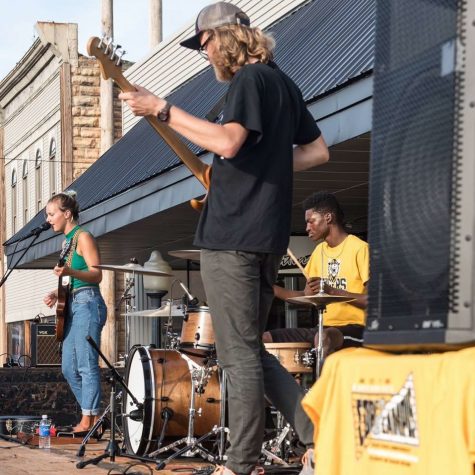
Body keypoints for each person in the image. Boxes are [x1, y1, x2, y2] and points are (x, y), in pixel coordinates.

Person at [119, 3, 329, 474]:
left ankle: (240, 464)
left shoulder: (250, 82)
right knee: (250, 348)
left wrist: (161, 108)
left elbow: (229, 142)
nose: (204, 53)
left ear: (224, 38)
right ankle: (319, 434)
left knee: (237, 355)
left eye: (205, 43)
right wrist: (261, 161)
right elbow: (317, 151)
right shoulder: (283, 83)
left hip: (233, 235)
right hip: (264, 236)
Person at [264, 191, 369, 359]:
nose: (307, 228)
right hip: (322, 327)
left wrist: (332, 291)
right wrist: (268, 287)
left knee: (323, 337)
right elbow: (306, 297)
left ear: (328, 217)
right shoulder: (319, 251)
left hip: (357, 328)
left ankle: (323, 385)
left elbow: (374, 301)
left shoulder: (360, 248)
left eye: (311, 221)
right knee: (265, 338)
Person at [43, 191, 107, 436]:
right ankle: (95, 416)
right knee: (69, 368)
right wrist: (55, 292)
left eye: (51, 214)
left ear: (67, 214)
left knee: (86, 364)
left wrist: (70, 270)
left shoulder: (84, 237)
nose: (49, 219)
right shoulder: (66, 242)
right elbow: (72, 278)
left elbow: (96, 274)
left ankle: (87, 421)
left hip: (88, 304)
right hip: (72, 304)